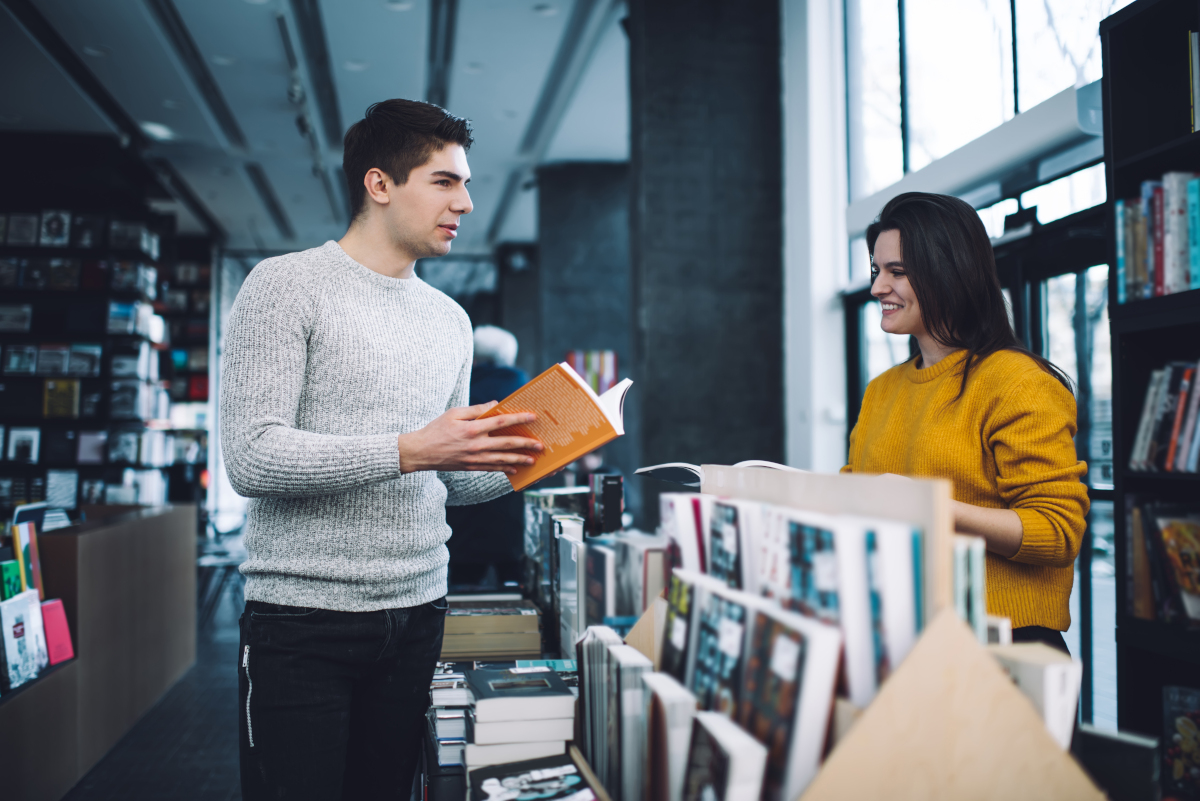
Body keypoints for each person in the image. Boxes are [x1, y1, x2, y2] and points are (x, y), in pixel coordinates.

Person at [221, 99, 544, 800]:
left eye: (466, 184)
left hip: (419, 612)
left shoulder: (451, 321)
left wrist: (533, 459)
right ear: (379, 184)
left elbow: (447, 481)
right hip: (302, 622)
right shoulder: (283, 286)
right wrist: (409, 448)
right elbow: (252, 455)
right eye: (445, 181)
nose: (465, 202)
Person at [843, 192, 1089, 654]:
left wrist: (933, 510)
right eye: (877, 271)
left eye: (897, 272)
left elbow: (1057, 531)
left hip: (1005, 649)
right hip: (904, 639)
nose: (877, 288)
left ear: (947, 271)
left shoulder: (1016, 383)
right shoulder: (881, 391)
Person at [445, 326, 529, 588]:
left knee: (464, 585)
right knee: (514, 585)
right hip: (510, 501)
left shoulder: (460, 390)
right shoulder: (524, 389)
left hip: (465, 511)